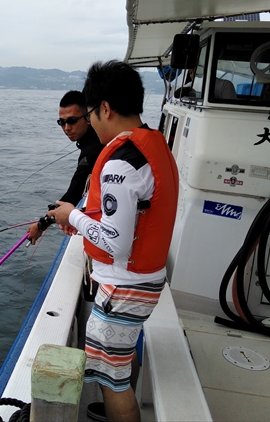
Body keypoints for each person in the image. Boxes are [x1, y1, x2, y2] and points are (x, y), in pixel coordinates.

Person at [48, 60, 179, 422]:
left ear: (104, 108)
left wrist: (70, 215)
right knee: (119, 364)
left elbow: (115, 243)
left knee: (112, 381)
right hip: (142, 282)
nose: (89, 122)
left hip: (126, 288)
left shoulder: (120, 163)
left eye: (89, 114)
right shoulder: (152, 144)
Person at [26, 90, 103, 245]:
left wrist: (41, 224)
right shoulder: (91, 143)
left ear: (88, 117)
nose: (66, 127)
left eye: (72, 121)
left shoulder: (93, 149)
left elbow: (74, 191)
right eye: (62, 122)